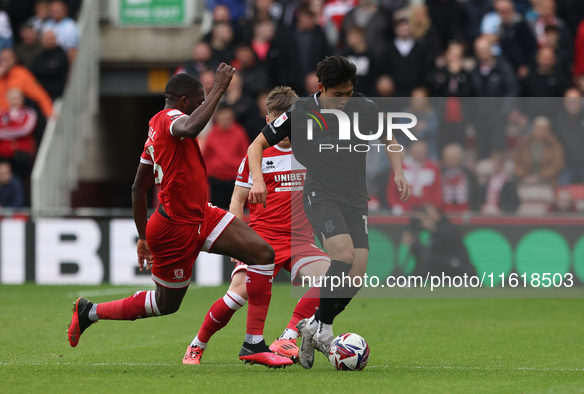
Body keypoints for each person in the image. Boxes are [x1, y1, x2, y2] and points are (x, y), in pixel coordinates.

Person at [67, 64, 291, 368]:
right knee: (165, 305)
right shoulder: (170, 118)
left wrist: (142, 236)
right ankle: (89, 312)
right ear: (184, 101)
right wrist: (218, 89)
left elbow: (137, 189)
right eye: (198, 102)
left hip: (202, 214)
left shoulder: (153, 135)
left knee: (263, 253)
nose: (201, 107)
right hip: (175, 228)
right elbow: (190, 127)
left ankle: (253, 343)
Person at [247, 56, 411, 369]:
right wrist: (257, 180)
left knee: (357, 273)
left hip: (355, 198)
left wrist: (399, 173)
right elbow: (256, 146)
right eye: (338, 94)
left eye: (349, 93)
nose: (345, 100)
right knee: (344, 256)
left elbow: (390, 138)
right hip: (320, 194)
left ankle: (313, 326)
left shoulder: (364, 107)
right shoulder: (300, 112)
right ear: (321, 89)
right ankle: (322, 328)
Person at [183, 86, 330, 365]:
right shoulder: (256, 156)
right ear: (267, 121)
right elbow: (236, 202)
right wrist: (238, 242)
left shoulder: (312, 152)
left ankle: (287, 337)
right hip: (261, 241)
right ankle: (197, 345)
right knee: (236, 296)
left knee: (334, 278)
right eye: (277, 124)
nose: (284, 131)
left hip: (299, 240)